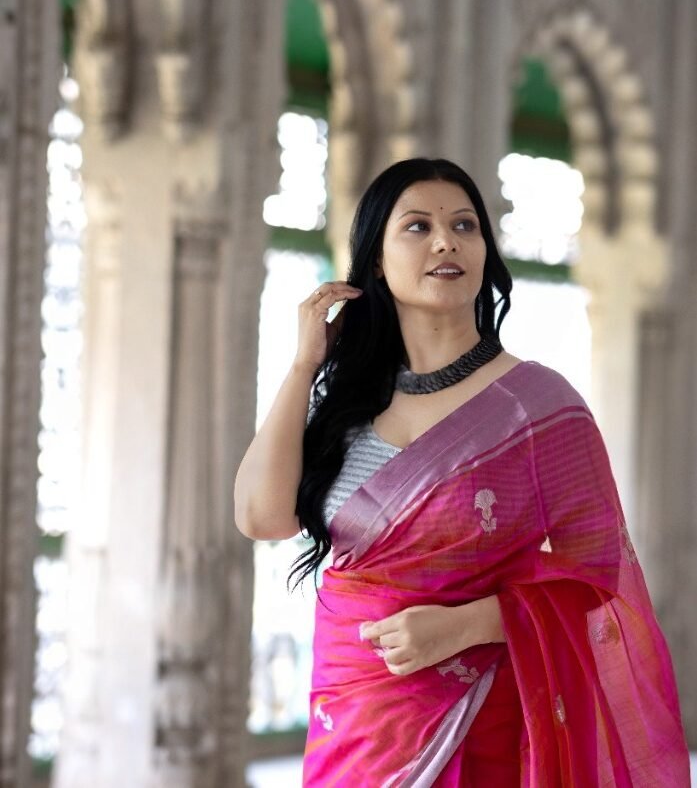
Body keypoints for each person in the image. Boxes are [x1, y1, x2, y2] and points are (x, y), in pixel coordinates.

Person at [234, 158, 690, 786]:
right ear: (376, 261)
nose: (445, 240)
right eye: (417, 226)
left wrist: (465, 626)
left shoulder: (539, 407)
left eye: (464, 225)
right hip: (352, 727)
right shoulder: (344, 404)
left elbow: (598, 578)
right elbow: (261, 517)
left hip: (482, 727)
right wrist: (302, 366)